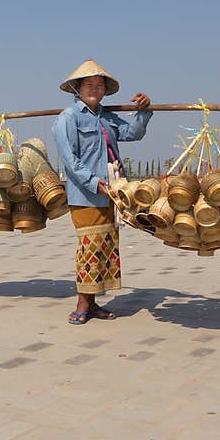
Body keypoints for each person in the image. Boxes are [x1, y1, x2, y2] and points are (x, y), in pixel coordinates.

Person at [51, 59, 152, 325]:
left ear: (105, 91)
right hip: (87, 194)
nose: (95, 89)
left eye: (99, 85)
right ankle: (82, 303)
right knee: (90, 248)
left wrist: (143, 111)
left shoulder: (108, 118)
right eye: (89, 85)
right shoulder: (68, 119)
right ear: (78, 89)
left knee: (106, 247)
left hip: (113, 191)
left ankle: (94, 303)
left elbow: (132, 133)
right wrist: (95, 182)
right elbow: (70, 161)